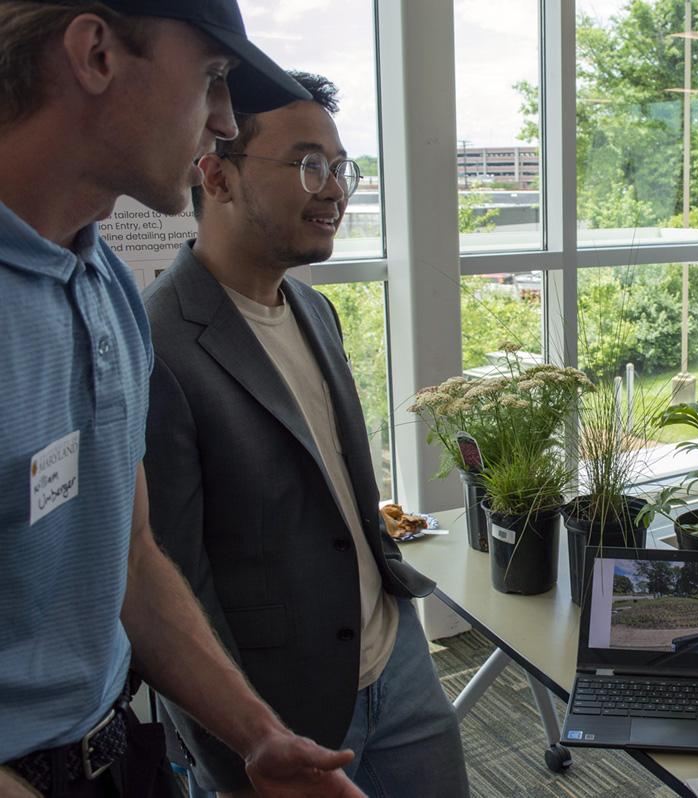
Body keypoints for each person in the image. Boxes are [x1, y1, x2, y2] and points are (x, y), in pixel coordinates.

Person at [0, 2, 367, 797]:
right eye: (210, 79)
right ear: (95, 52)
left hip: (113, 757)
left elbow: (132, 557)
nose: (225, 121)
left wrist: (259, 734)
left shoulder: (103, 286)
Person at [141, 72, 469, 798]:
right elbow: (170, 586)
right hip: (285, 707)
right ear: (216, 175)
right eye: (308, 165)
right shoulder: (159, 346)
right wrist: (235, 760)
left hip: (397, 659)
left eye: (341, 167)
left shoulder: (313, 311)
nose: (335, 190)